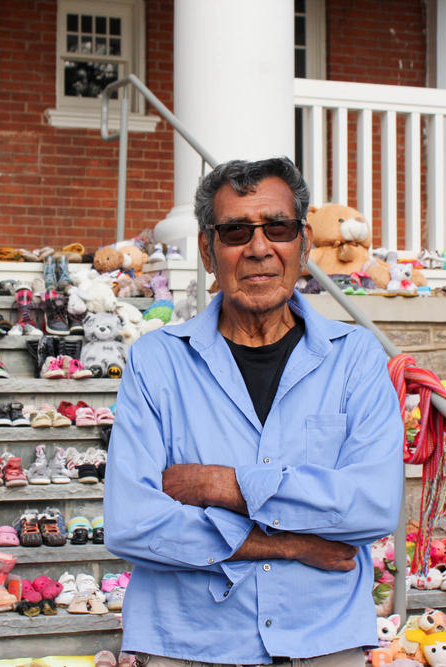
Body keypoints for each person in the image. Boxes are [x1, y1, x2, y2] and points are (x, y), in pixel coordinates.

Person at [103, 157, 404, 666]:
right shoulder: (157, 362)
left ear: (303, 244)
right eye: (236, 231)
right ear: (207, 249)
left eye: (278, 228)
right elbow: (132, 523)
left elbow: (372, 507)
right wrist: (291, 545)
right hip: (190, 646)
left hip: (325, 643)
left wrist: (223, 485)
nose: (260, 248)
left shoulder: (356, 357)